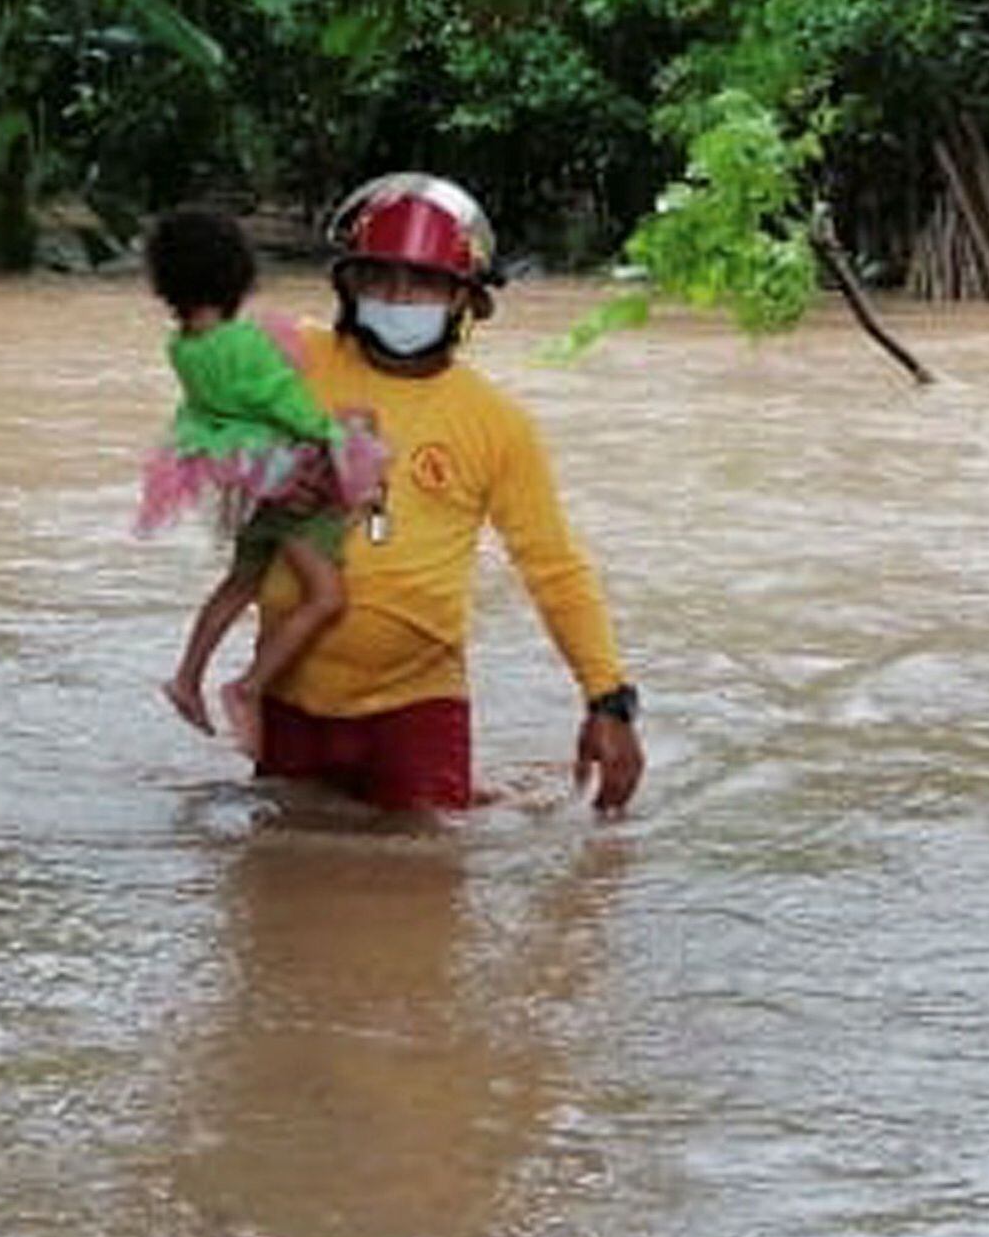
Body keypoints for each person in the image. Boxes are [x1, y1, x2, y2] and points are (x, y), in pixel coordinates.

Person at [251, 173, 643, 815]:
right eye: (378, 276)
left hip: (416, 706)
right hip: (286, 695)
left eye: (424, 282)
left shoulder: (495, 422)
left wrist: (608, 700)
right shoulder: (290, 358)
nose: (398, 297)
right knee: (278, 871)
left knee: (427, 882)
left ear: (464, 298)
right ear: (348, 285)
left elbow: (554, 567)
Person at [135, 207, 391, 752]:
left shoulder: (182, 347)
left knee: (238, 585)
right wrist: (335, 437)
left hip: (253, 483)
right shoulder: (245, 344)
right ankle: (249, 687)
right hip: (288, 484)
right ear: (236, 275)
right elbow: (283, 400)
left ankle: (186, 678)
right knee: (327, 596)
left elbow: (212, 412)